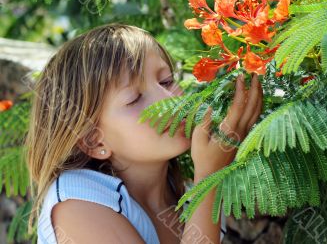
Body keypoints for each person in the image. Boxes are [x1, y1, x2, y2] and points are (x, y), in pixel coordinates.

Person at [25, 23, 263, 243]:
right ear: (93, 140)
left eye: (167, 81)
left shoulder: (186, 194)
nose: (168, 100)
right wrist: (209, 179)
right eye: (134, 98)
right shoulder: (78, 204)